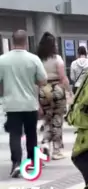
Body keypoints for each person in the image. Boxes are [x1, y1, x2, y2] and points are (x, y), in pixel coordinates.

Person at [0, 30, 47, 178]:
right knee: (31, 133)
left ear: (12, 41)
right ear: (26, 41)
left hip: (11, 104)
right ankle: (32, 161)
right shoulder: (33, 59)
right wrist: (31, 80)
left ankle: (16, 163)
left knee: (14, 134)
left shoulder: (2, 60)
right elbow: (43, 80)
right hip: (30, 104)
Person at [37, 32, 70, 159]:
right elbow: (63, 77)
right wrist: (69, 91)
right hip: (57, 90)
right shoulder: (57, 58)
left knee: (47, 119)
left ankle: (45, 144)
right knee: (57, 121)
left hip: (43, 90)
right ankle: (56, 150)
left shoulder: (38, 60)